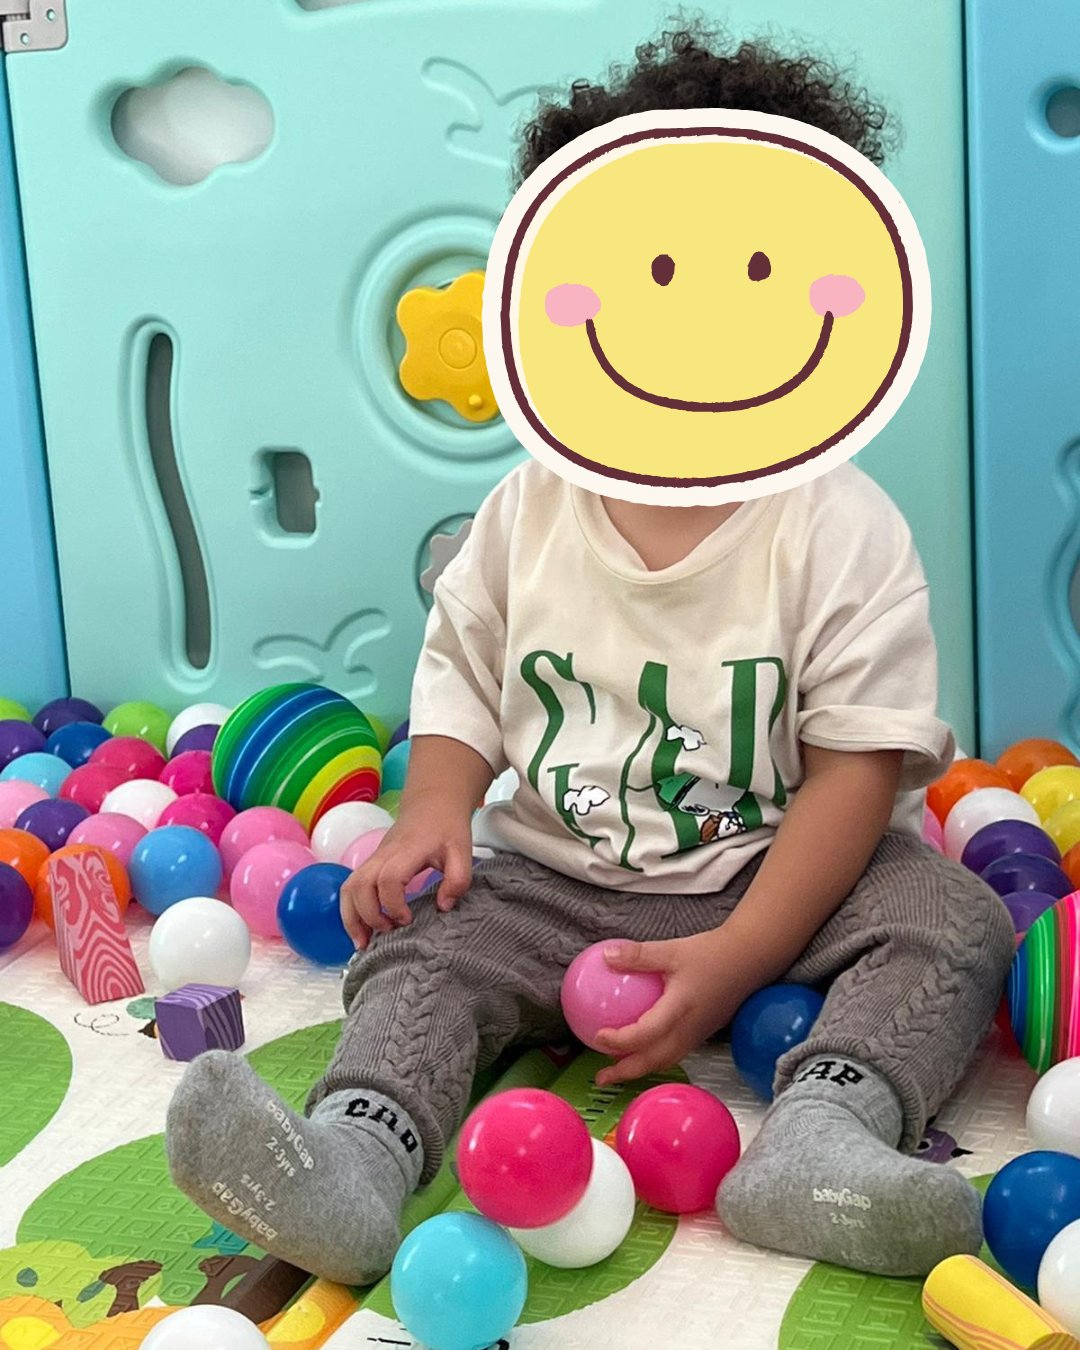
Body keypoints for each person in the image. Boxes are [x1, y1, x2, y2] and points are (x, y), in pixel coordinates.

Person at [166, 27, 1013, 1285]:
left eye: (757, 275)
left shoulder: (838, 526)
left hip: (770, 877)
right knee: (423, 950)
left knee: (952, 912)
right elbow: (460, 671)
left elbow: (854, 768)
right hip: (551, 881)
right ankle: (352, 1161)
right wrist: (436, 811)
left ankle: (824, 1136)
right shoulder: (529, 507)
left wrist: (744, 956)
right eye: (652, 275)